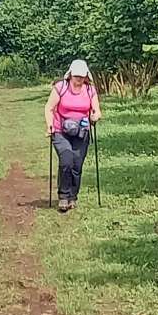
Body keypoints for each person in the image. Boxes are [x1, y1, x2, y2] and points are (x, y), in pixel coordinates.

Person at [44, 59, 101, 213]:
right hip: (60, 131)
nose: (78, 79)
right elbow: (49, 107)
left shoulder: (90, 90)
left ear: (86, 76)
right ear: (70, 75)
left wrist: (95, 116)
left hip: (81, 132)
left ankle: (72, 197)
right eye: (76, 76)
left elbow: (96, 110)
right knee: (66, 160)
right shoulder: (60, 87)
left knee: (77, 165)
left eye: (81, 77)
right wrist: (49, 125)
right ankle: (63, 196)